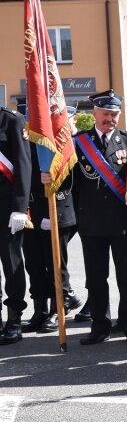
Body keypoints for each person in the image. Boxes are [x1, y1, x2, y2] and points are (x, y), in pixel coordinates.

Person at [72, 90, 127, 346]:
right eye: (105, 113)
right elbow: (71, 185)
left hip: (125, 223)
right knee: (95, 278)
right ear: (94, 113)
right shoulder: (78, 143)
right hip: (91, 223)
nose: (110, 119)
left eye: (114, 114)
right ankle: (100, 326)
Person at [21, 103, 81, 335]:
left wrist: (50, 211)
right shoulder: (27, 142)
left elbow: (68, 180)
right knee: (34, 264)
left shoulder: (56, 141)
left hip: (54, 210)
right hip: (31, 210)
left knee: (55, 263)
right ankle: (40, 310)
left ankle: (60, 308)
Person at [0, 105, 31, 345]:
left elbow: (23, 165)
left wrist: (20, 208)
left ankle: (14, 320)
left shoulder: (12, 121)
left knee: (12, 264)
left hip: (6, 209)